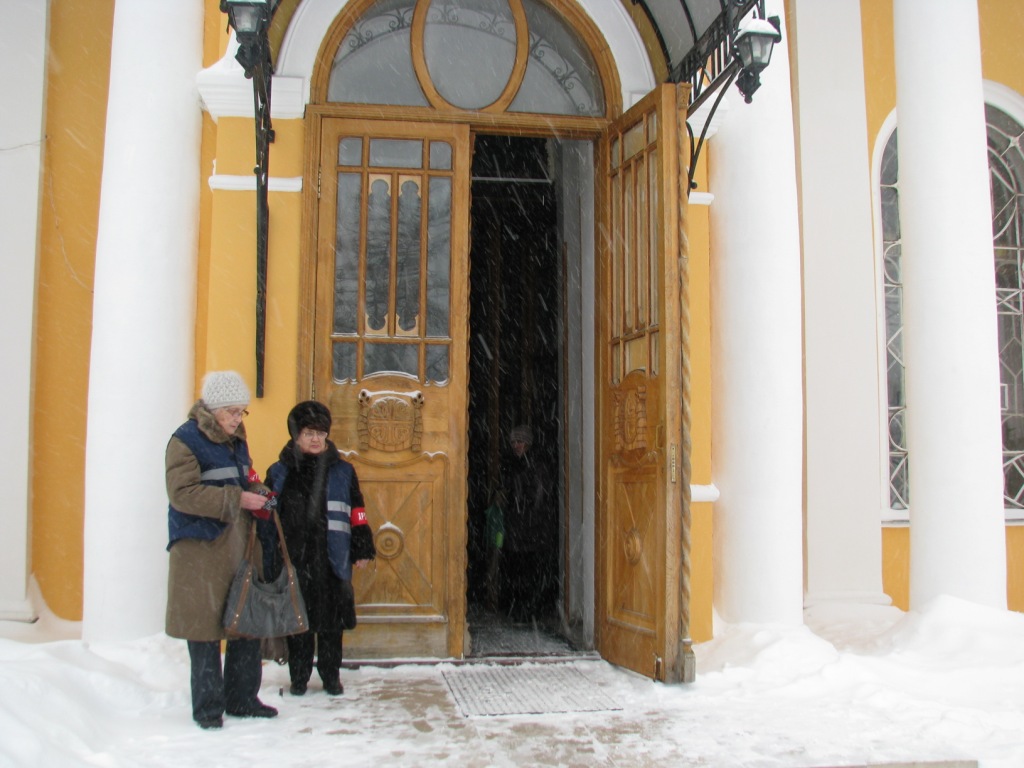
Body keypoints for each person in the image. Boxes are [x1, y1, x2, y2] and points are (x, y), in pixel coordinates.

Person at [165, 370, 278, 730]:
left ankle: (243, 698)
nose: (237, 418)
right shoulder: (184, 441)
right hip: (201, 549)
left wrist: (257, 490)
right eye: (231, 411)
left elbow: (242, 478)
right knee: (205, 631)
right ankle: (209, 708)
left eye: (242, 412)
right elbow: (182, 494)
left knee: (245, 620)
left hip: (239, 545)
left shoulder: (236, 439)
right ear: (212, 410)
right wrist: (237, 498)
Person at [265, 400, 376, 697]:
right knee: (297, 624)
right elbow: (267, 514)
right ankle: (298, 677)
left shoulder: (342, 471)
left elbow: (357, 510)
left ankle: (330, 676)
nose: (316, 439)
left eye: (320, 433)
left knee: (330, 626)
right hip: (294, 559)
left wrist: (362, 544)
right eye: (309, 433)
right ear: (296, 435)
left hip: (331, 559)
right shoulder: (279, 471)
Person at [497, 424, 556, 622]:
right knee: (517, 569)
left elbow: (539, 498)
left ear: (528, 443)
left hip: (532, 528)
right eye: (513, 442)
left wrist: (528, 515)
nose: (516, 445)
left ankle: (529, 611)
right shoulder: (514, 464)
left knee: (530, 570)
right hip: (519, 527)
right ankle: (518, 609)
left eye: (520, 441)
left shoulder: (537, 465)